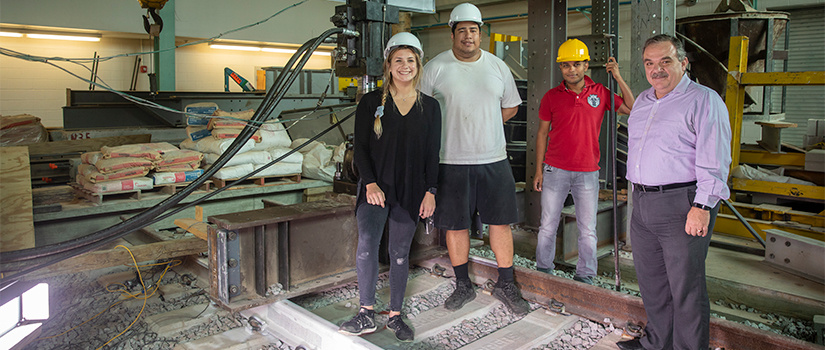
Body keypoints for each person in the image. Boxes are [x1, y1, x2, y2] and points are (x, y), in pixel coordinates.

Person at [617, 34, 731, 350]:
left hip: (683, 203)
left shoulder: (704, 100)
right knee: (652, 283)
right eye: (650, 63)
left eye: (665, 61)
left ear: (682, 62)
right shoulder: (642, 101)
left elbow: (716, 158)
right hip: (641, 202)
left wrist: (703, 205)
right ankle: (657, 343)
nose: (657, 70)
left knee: (685, 288)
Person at [420, 2, 529, 317]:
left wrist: (485, 124)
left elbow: (510, 107)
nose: (469, 36)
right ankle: (462, 284)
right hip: (450, 161)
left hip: (493, 160)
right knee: (456, 226)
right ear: (451, 32)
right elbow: (423, 114)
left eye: (474, 30)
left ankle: (506, 283)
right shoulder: (435, 68)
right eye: (462, 30)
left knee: (500, 222)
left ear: (481, 33)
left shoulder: (497, 66)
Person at [338, 32, 441, 342]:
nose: (405, 66)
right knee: (367, 244)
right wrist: (369, 183)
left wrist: (430, 191)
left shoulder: (431, 107)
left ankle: (395, 315)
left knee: (399, 252)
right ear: (389, 65)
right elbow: (362, 150)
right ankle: (366, 312)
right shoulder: (371, 102)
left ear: (418, 65)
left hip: (411, 192)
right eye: (399, 60)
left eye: (410, 60)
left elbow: (432, 154)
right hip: (376, 189)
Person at [533, 39, 634, 285]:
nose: (571, 70)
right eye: (566, 65)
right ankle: (543, 269)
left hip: (588, 172)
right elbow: (542, 134)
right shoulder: (551, 97)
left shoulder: (601, 93)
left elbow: (632, 107)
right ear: (561, 67)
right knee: (547, 224)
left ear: (586, 65)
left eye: (577, 64)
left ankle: (586, 274)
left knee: (587, 229)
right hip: (554, 169)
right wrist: (538, 170)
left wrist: (618, 77)